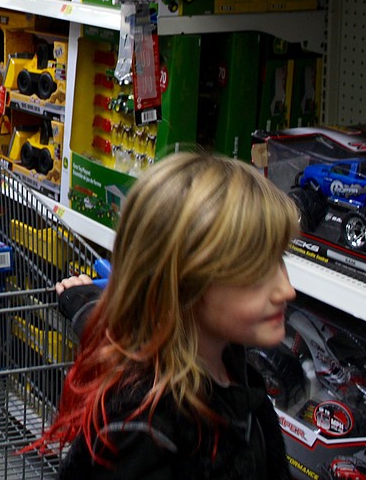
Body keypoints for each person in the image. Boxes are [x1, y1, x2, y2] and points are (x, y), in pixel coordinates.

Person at [34, 151, 297, 479]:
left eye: (280, 259)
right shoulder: (143, 428)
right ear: (183, 283)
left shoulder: (232, 370)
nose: (286, 290)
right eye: (257, 270)